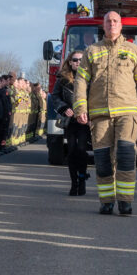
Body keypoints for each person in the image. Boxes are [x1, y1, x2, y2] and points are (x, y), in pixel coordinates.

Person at [73, 11, 137, 215]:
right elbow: (80, 81)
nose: (112, 24)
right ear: (103, 25)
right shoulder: (92, 51)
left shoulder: (134, 50)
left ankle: (125, 201)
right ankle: (106, 201)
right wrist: (80, 108)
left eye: (115, 21)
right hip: (100, 114)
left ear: (121, 25)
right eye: (108, 21)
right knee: (102, 159)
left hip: (127, 112)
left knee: (126, 155)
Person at [50, 50, 91, 195]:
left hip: (85, 120)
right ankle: (74, 183)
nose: (78, 63)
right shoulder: (62, 78)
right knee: (72, 151)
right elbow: (55, 97)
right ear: (70, 62)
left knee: (81, 149)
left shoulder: (91, 78)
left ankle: (82, 178)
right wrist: (64, 108)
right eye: (75, 60)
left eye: (80, 60)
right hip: (70, 120)